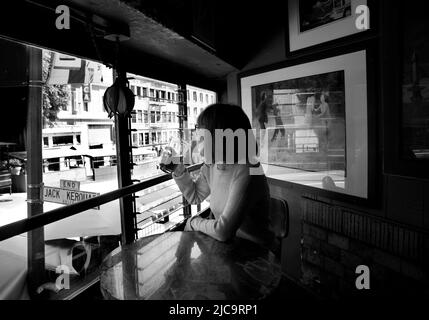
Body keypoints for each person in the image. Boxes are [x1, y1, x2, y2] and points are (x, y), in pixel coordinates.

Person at [161, 103, 277, 251]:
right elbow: (195, 196)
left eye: (203, 137)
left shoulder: (248, 170)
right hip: (228, 248)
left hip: (256, 255)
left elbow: (223, 231)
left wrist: (193, 222)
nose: (197, 143)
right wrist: (178, 169)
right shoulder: (213, 166)